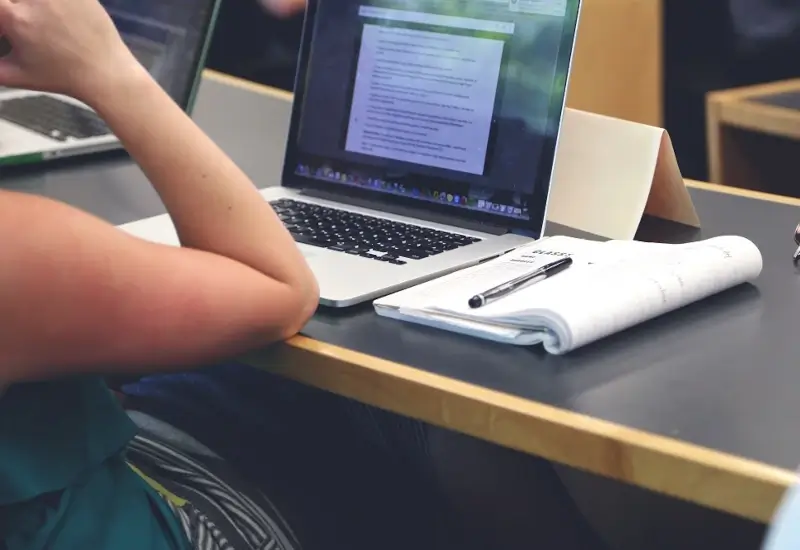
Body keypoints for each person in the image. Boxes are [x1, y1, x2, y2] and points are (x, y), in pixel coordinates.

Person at [0, 0, 320, 548]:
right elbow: (280, 289)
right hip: (124, 528)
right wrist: (106, 66)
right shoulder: (21, 249)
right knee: (363, 427)